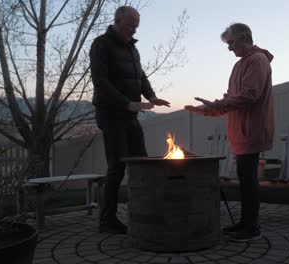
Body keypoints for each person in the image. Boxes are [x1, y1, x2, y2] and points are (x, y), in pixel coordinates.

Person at [185, 23, 274, 242]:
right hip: (240, 133)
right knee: (245, 179)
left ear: (244, 37)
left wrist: (215, 105)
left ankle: (251, 227)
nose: (229, 48)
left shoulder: (257, 61)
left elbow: (249, 96)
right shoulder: (239, 65)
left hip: (252, 131)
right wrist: (209, 110)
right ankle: (245, 223)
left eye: (231, 42)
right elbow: (232, 100)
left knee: (248, 179)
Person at [89, 6, 170, 234]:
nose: (134, 30)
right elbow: (100, 81)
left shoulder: (133, 49)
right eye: (131, 25)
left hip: (130, 114)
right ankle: (107, 221)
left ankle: (144, 210)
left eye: (136, 26)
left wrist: (151, 96)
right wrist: (127, 103)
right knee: (117, 167)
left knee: (142, 161)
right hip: (111, 114)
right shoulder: (101, 44)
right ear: (117, 20)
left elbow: (140, 76)